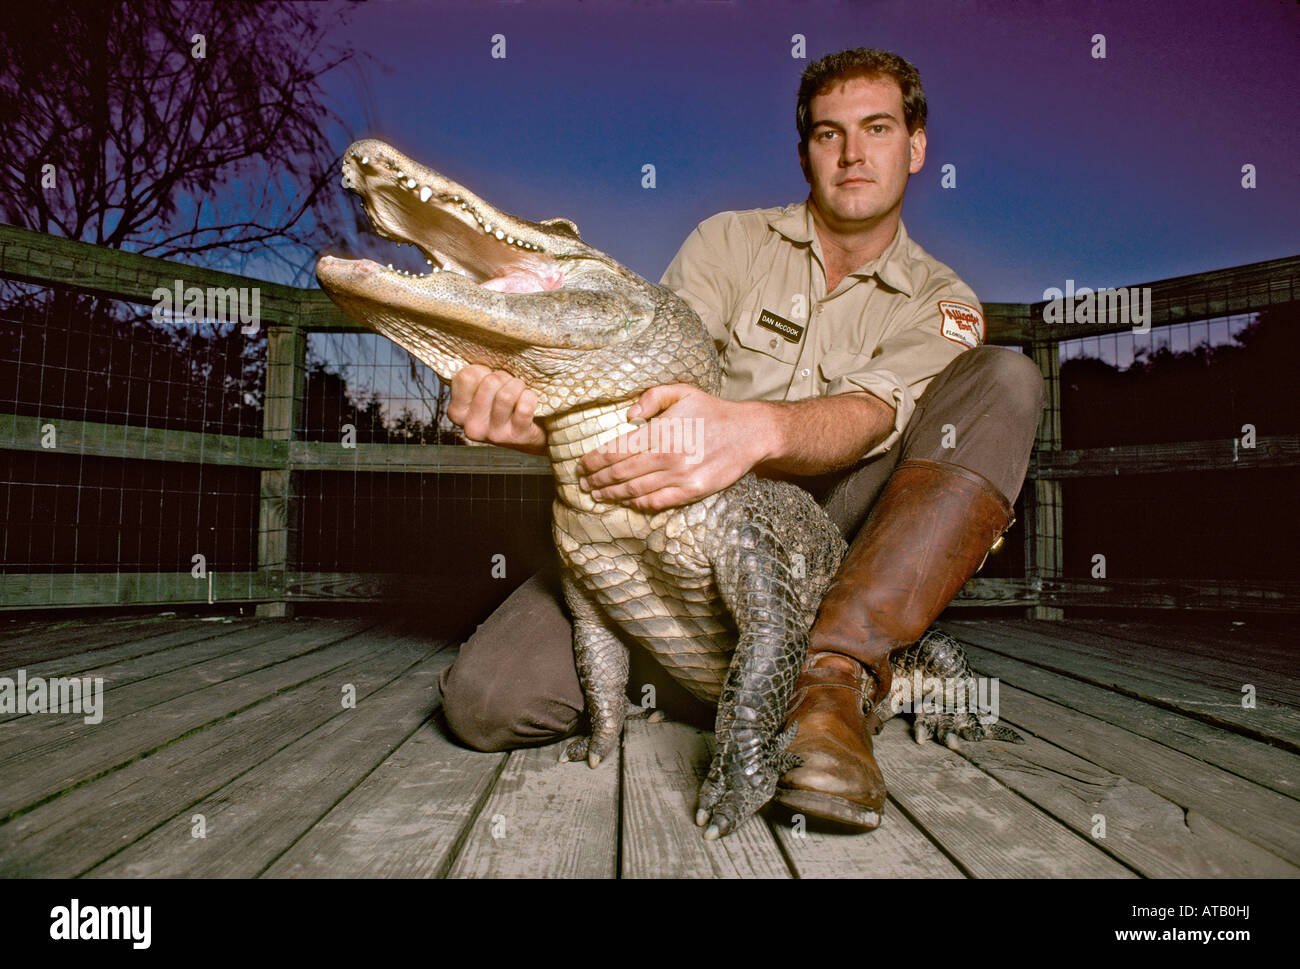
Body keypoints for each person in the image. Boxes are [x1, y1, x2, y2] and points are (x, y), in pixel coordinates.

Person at [436, 48, 1044, 831]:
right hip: (682, 528)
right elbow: (644, 385)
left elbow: (869, 414)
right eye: (829, 134)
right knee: (486, 701)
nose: (853, 154)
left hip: (841, 532)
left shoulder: (943, 300)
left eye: (878, 128)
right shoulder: (726, 242)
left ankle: (832, 674)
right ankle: (708, 670)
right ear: (804, 153)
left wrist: (752, 431)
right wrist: (541, 420)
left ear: (917, 146)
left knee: (1006, 379)